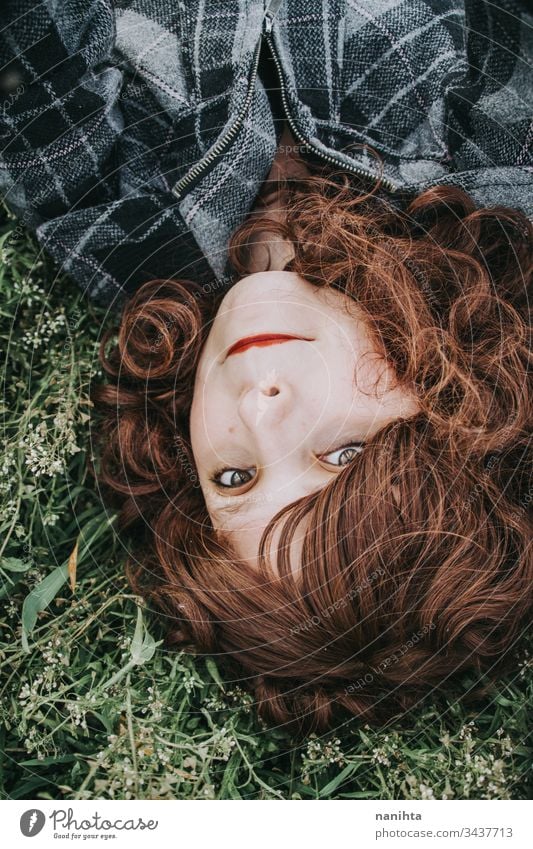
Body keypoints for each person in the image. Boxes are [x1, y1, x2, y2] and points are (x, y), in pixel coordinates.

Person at [1, 1, 532, 735]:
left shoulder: (121, 237)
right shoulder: (498, 168)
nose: (258, 406)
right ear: (454, 419)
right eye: (341, 454)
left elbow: (34, 51)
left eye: (233, 477)